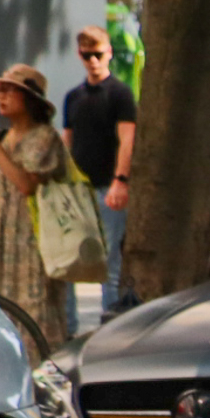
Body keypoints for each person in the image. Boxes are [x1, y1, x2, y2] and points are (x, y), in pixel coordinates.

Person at [0, 63, 71, 349]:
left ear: (30, 99)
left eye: (10, 92)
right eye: (0, 92)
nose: (2, 97)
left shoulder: (45, 137)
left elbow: (26, 185)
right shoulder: (3, 138)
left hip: (32, 233)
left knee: (34, 306)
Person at [63, 25, 138, 313]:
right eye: (86, 55)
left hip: (108, 185)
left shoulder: (120, 93)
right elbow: (67, 139)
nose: (92, 60)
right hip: (78, 188)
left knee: (109, 263)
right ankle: (68, 327)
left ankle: (109, 323)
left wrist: (121, 180)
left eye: (97, 54)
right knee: (72, 259)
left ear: (108, 53)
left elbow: (127, 138)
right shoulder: (74, 97)